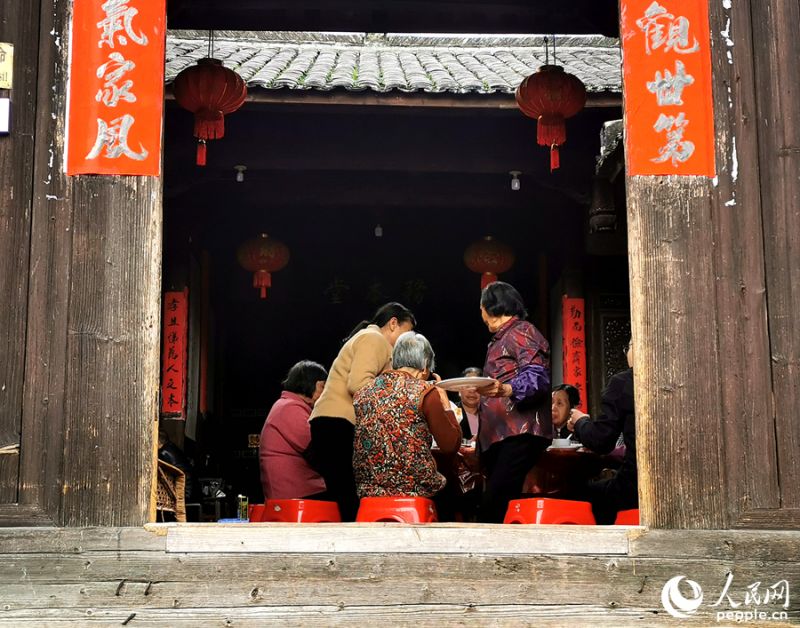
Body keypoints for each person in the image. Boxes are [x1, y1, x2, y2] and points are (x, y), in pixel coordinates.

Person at [309, 302, 416, 521]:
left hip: (332, 422)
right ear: (393, 323)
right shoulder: (374, 338)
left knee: (344, 497)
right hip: (337, 424)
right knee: (347, 497)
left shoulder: (370, 339)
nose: (405, 342)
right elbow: (358, 383)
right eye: (405, 333)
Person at [475, 281, 552, 523]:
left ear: (491, 306)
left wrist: (508, 388)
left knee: (494, 506)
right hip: (502, 436)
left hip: (519, 433)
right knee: (498, 503)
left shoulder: (522, 331)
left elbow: (537, 376)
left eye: (481, 307)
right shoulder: (502, 337)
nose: (481, 313)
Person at [353, 332, 461, 498]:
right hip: (415, 491)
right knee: (457, 488)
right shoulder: (425, 391)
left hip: (369, 493)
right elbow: (450, 446)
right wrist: (445, 402)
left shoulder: (363, 393)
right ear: (424, 366)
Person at [567, 338, 636, 524]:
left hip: (635, 485)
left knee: (575, 494)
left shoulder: (625, 381)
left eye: (629, 346)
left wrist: (580, 422)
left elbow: (601, 441)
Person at [259, 360, 328, 500]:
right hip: (296, 495)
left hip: (298, 492)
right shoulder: (289, 407)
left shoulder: (287, 405)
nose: (325, 393)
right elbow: (317, 450)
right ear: (311, 383)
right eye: (323, 387)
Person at [454, 366, 482, 440]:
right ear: (459, 390)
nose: (472, 390)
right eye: (467, 386)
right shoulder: (452, 412)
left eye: (476, 386)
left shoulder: (490, 415)